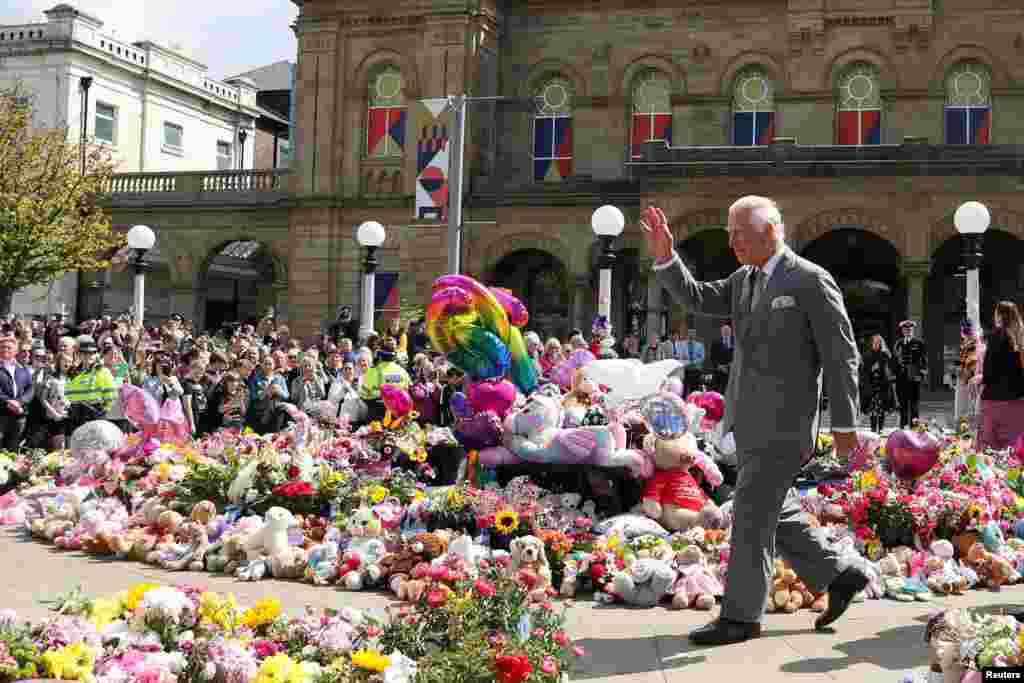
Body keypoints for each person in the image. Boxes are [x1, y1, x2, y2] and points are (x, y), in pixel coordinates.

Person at [641, 196, 867, 645]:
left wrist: (844, 426)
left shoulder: (809, 280)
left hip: (786, 423)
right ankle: (840, 574)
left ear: (771, 230)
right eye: (728, 233)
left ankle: (741, 617)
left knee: (748, 517)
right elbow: (699, 297)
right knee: (772, 511)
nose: (731, 242)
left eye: (739, 232)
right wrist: (667, 257)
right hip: (747, 419)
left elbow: (841, 357)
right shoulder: (744, 279)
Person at [976, 301, 1024, 450]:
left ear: (999, 316)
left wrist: (980, 379)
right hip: (1018, 400)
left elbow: (990, 372)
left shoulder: (995, 337)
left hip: (994, 399)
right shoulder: (1021, 337)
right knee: (1014, 449)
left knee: (989, 449)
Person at [0, 334, 34, 451]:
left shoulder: (23, 368)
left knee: (14, 448)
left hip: (18, 415)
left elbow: (30, 388)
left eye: (9, 347)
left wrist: (19, 402)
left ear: (16, 351)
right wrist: (8, 402)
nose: (5, 349)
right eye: (2, 347)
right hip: (2, 414)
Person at [893, 320, 928, 428]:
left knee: (914, 403)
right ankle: (903, 426)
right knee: (903, 403)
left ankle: (914, 427)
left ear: (913, 330)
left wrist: (922, 374)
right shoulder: (898, 343)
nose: (907, 331)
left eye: (909, 329)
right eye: (905, 329)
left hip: (914, 376)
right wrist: (894, 374)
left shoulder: (919, 342)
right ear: (902, 331)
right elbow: (895, 360)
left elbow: (924, 360)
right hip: (901, 377)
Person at [862, 334, 898, 432]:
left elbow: (891, 368)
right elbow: (863, 370)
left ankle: (881, 429)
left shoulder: (886, 354)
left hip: (883, 385)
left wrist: (887, 372)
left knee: (882, 409)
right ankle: (873, 429)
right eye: (875, 342)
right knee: (872, 410)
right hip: (871, 385)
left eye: (878, 342)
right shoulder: (867, 355)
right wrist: (871, 369)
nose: (876, 344)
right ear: (872, 343)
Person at [709, 322, 735, 393]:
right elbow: (712, 356)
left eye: (728, 330)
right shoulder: (716, 342)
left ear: (731, 331)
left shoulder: (735, 342)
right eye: (724, 330)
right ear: (721, 331)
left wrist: (731, 365)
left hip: (731, 372)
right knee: (716, 391)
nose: (726, 332)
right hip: (718, 371)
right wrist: (719, 366)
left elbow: (736, 356)